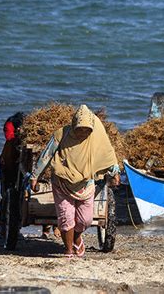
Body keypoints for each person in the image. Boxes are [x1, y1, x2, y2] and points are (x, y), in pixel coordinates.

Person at [30, 105, 120, 258]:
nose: (83, 133)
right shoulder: (61, 134)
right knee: (66, 218)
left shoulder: (96, 139)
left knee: (85, 220)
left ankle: (77, 237)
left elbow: (107, 156)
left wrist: (115, 172)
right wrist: (35, 176)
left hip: (86, 184)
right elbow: (46, 155)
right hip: (62, 181)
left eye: (87, 130)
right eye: (80, 129)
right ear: (73, 125)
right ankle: (69, 250)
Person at [0, 112, 25, 237]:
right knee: (6, 195)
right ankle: (3, 227)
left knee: (20, 195)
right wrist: (18, 135)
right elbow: (9, 137)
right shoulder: (10, 124)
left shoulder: (19, 124)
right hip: (7, 165)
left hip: (19, 164)